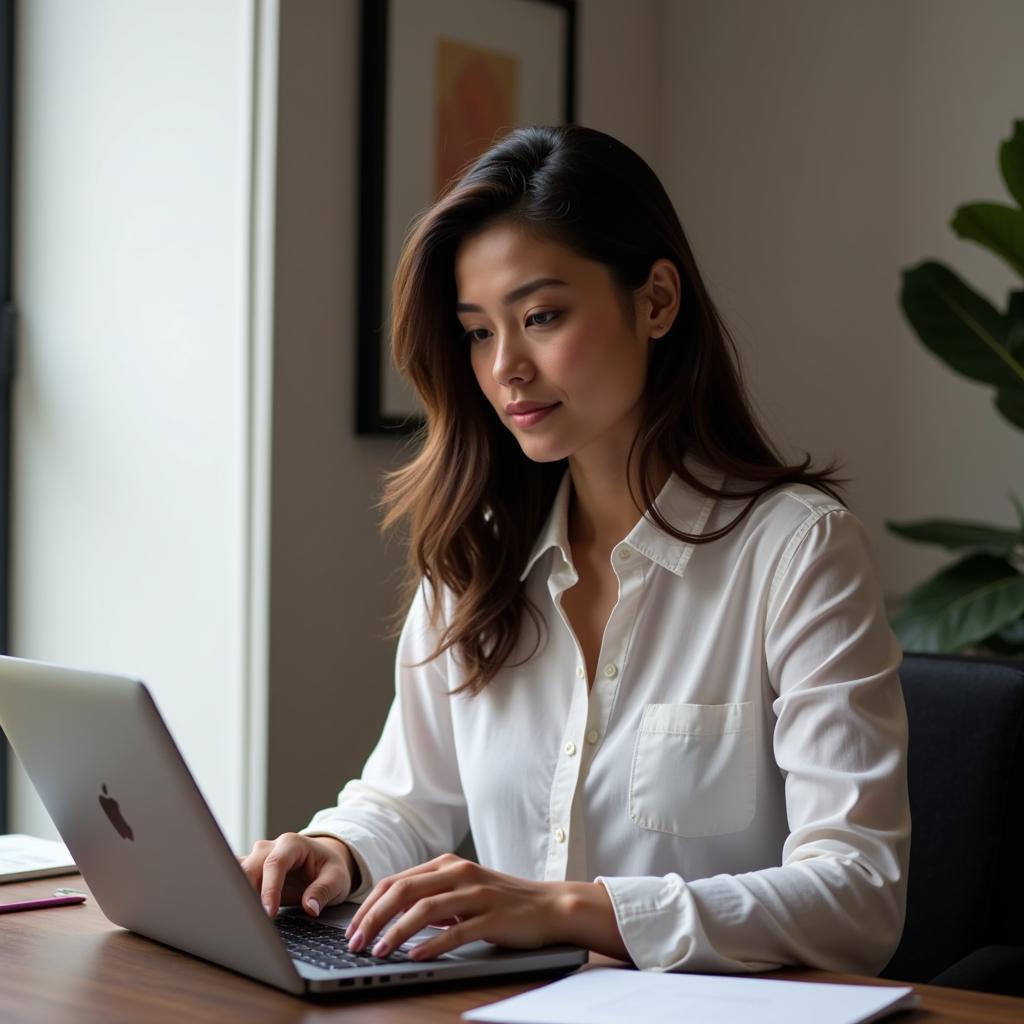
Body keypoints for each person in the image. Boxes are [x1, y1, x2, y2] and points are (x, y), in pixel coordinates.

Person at [241, 124, 910, 974]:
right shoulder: (474, 560)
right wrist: (338, 848)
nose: (506, 368)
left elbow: (858, 894)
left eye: (542, 316)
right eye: (479, 331)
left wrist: (570, 911)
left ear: (657, 301)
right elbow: (406, 801)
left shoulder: (798, 552)